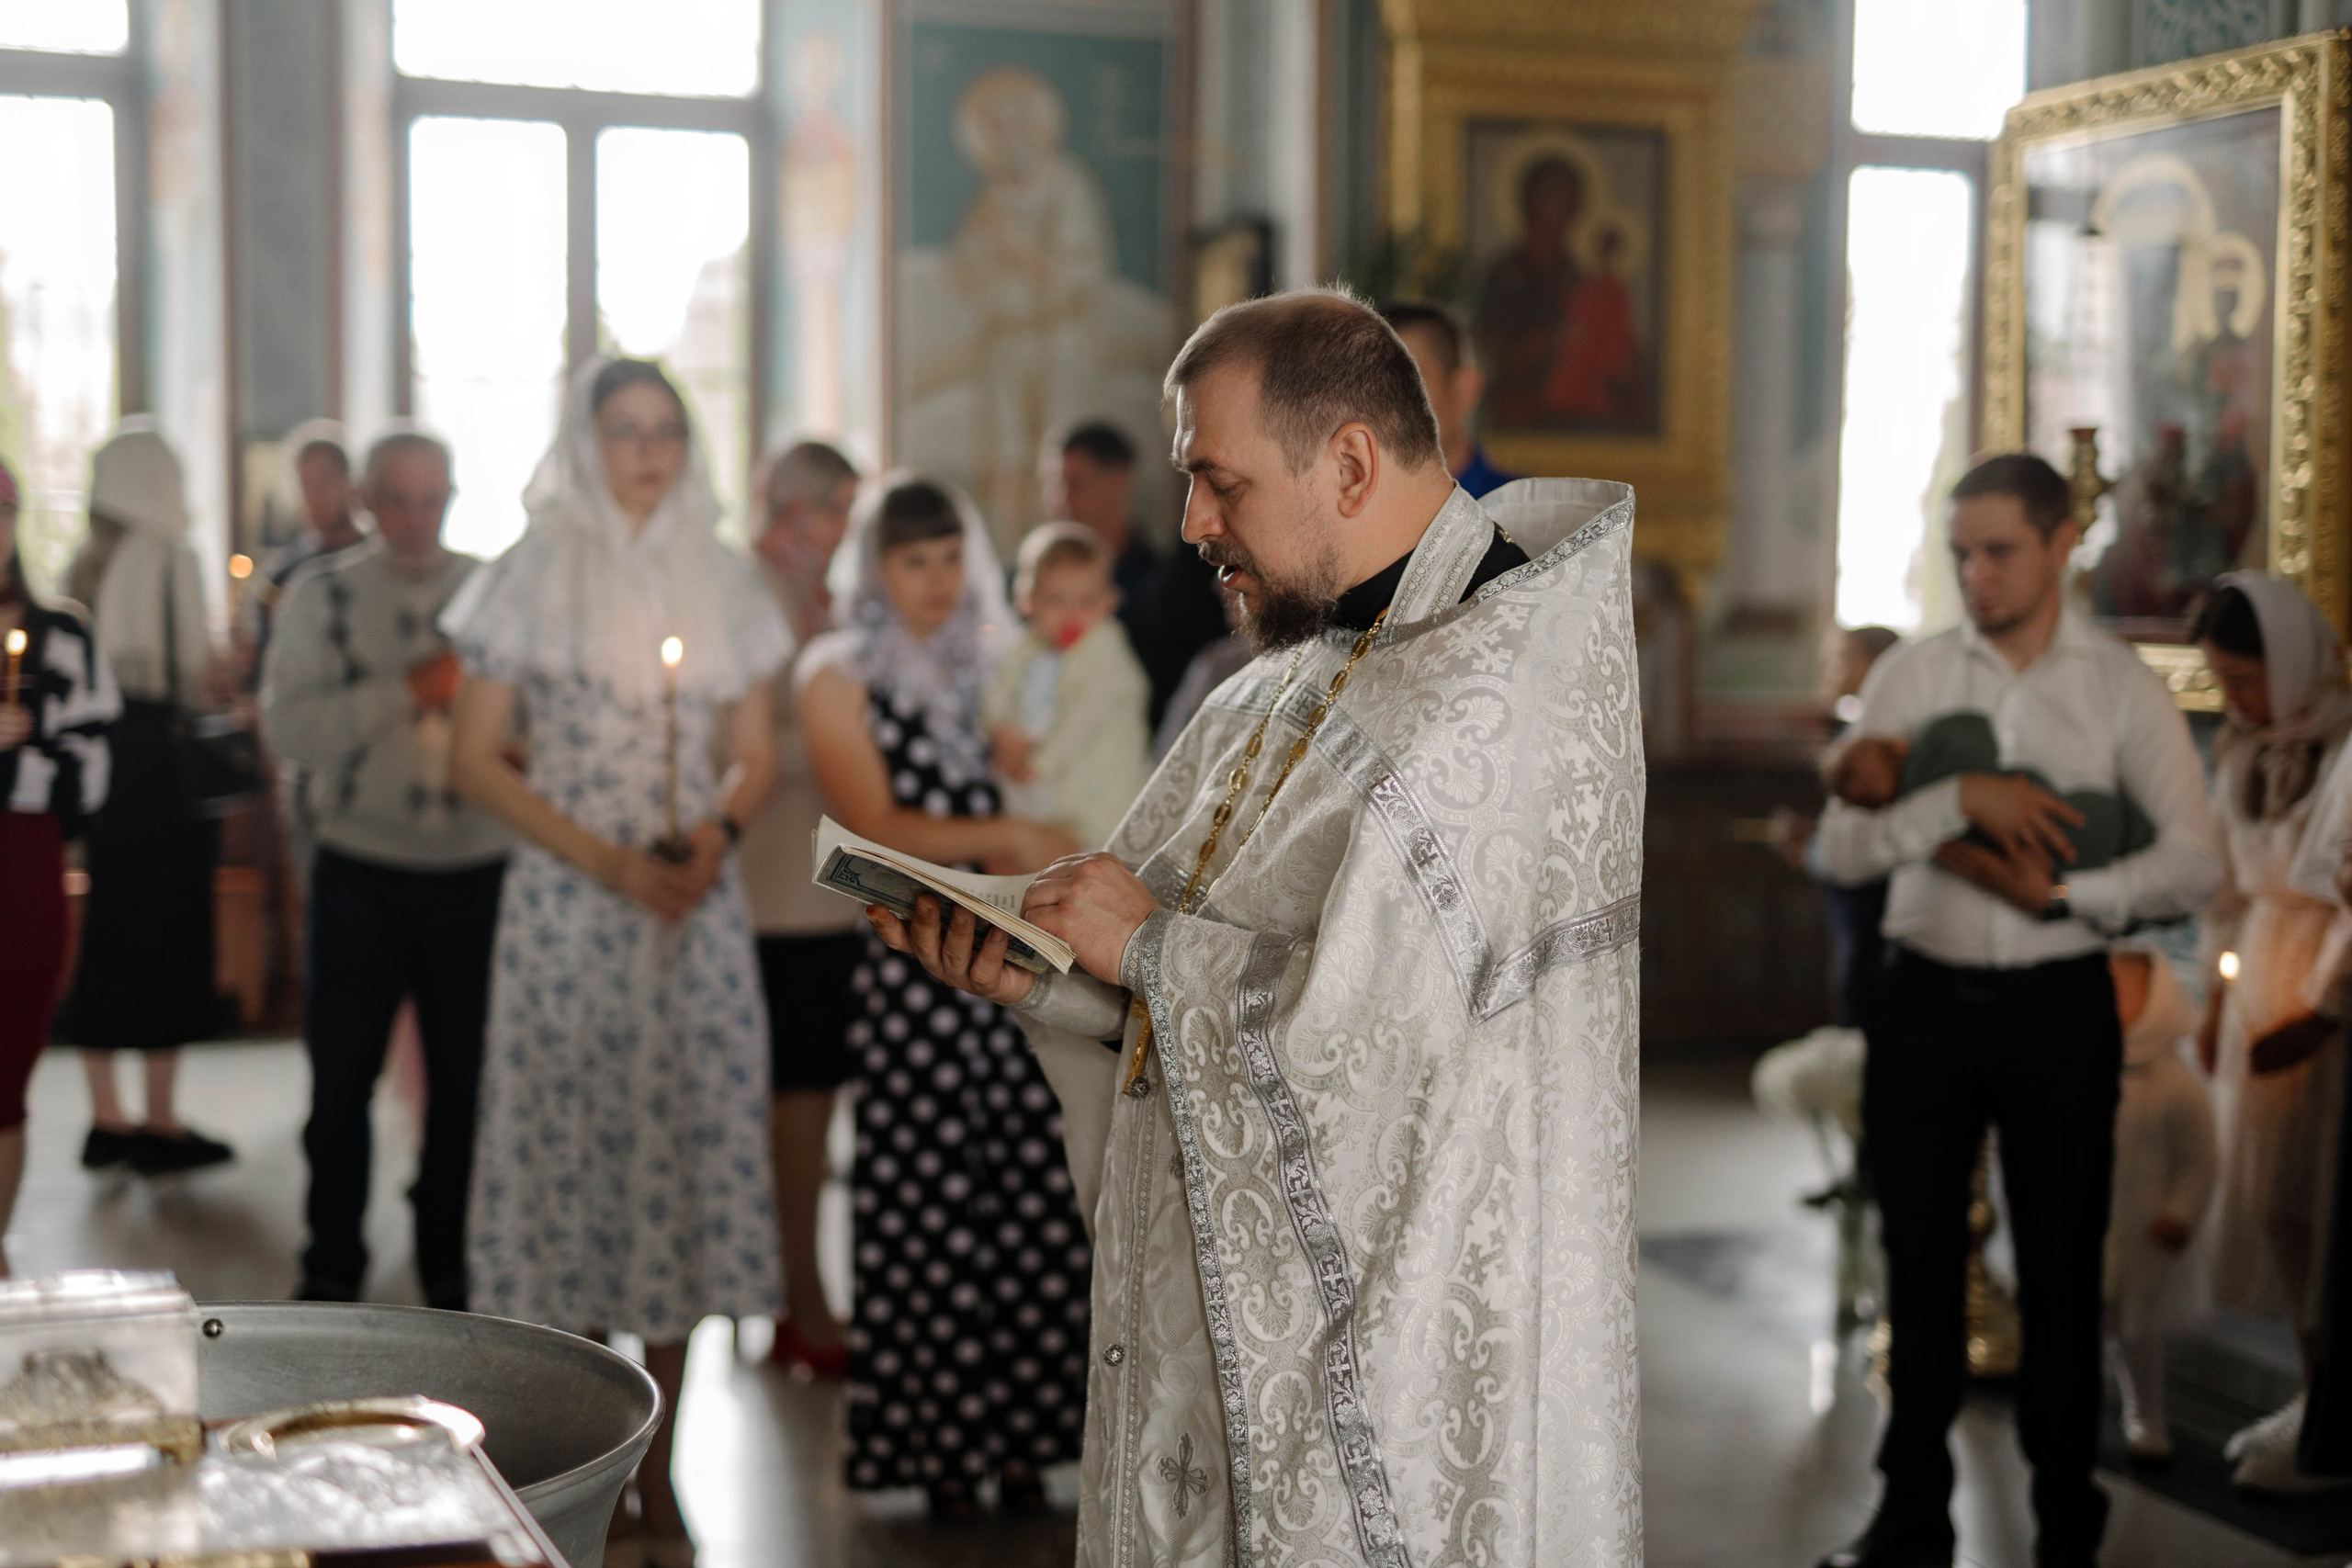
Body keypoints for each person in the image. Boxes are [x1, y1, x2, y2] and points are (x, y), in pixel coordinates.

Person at [868, 288, 1646, 1563]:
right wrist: (1045, 975)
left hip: (1404, 1385)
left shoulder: (1501, 697)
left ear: (1349, 463)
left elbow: (1400, 1052)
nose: (1191, 524)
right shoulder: (1289, 670)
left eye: (1217, 481)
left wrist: (1147, 947)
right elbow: (1169, 967)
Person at [1813, 453, 2222, 1568]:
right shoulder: (1912, 676)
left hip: (2058, 1010)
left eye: (1998, 552)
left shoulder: (2118, 688)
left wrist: (2062, 896)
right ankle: (1909, 1521)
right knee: (1917, 1265)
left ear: (2059, 545)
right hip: (1921, 1005)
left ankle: (2064, 1529)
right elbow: (1838, 845)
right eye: (1960, 555)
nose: (1975, 575)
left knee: (2060, 1268)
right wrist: (1957, 800)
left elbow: (2194, 861)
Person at [443, 357, 789, 1566]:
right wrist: (605, 859)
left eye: (666, 431)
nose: (648, 452)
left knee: (680, 1167)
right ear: (586, 443)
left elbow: (755, 752)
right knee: (578, 1176)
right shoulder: (533, 566)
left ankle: (666, 1469)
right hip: (569, 906)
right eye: (626, 431)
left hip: (690, 910)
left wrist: (713, 838)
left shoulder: (725, 574)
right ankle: (593, 1463)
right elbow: (473, 757)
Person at [797, 474, 1089, 1518]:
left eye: (946, 556)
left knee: (1029, 1199)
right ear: (874, 568)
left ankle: (1027, 1446)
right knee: (923, 1202)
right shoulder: (836, 674)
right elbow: (870, 826)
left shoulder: (1005, 660)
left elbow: (1061, 780)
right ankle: (941, 1451)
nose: (932, 579)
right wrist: (1007, 833)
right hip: (910, 963)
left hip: (1017, 959)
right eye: (910, 560)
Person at [262, 430, 509, 1311]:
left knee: (464, 1077)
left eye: (431, 498)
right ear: (365, 499)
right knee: (341, 1078)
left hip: (476, 869)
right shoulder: (320, 593)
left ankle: (448, 1249)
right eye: (396, 498)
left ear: (453, 498)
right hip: (361, 868)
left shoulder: (492, 593)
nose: (415, 517)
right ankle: (332, 1257)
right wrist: (407, 687)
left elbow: (532, 723)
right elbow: (290, 728)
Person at [2178, 576, 2352, 1492]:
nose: (2235, 699)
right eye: (2222, 681)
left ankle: (2332, 1417)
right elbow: (2223, 890)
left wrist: (2321, 1011)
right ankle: (2312, 1392)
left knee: (2319, 1204)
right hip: (2258, 975)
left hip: (2321, 990)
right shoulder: (2243, 749)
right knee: (2277, 1211)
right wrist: (2213, 1003)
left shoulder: (2344, 746)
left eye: (2245, 679)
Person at [51, 421, 240, 1177]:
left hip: (104, 773)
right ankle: (159, 1121)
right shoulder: (173, 557)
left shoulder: (85, 565)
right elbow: (195, 673)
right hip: (162, 772)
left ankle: (107, 1117)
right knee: (170, 936)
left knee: (108, 935)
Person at [739, 437, 865, 1380]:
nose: (838, 529)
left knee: (812, 1107)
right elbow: (731, 746)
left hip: (828, 881)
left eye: (847, 513)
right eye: (828, 510)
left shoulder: (824, 597)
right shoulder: (748, 594)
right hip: (775, 885)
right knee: (791, 1106)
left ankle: (794, 1293)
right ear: (787, 505)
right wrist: (837, 734)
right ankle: (795, 1301)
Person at [0, 457, 120, 1275]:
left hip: (22, 865)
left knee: (6, 1067)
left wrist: (22, 760)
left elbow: (92, 775)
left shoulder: (64, 636)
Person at [2102, 945, 2217, 1465]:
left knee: (2138, 1331)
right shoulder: (2087, 1068)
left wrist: (2182, 1213)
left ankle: (2146, 1413)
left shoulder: (2176, 1083)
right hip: (2093, 1226)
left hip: (2144, 1232)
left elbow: (2200, 1160)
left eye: (2126, 990)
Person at [1042, 421, 1227, 728]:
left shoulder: (1167, 588)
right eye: (1053, 484)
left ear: (1118, 481)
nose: (1062, 500)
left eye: (1075, 483)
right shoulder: (1029, 580)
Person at [982, 522, 1151, 849]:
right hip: (1035, 785)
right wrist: (1001, 730)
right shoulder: (1026, 648)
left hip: (1096, 793)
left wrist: (1039, 764)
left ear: (1110, 601)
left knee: (1084, 845)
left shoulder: (1106, 652)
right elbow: (997, 691)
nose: (1072, 615)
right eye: (1056, 601)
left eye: (1087, 602)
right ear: (1026, 600)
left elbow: (1085, 717)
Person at [1378, 298, 1519, 498]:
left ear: (1464, 389)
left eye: (1410, 382)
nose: (1388, 401)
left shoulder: (1520, 510)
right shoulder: (1349, 509)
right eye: (1375, 385)